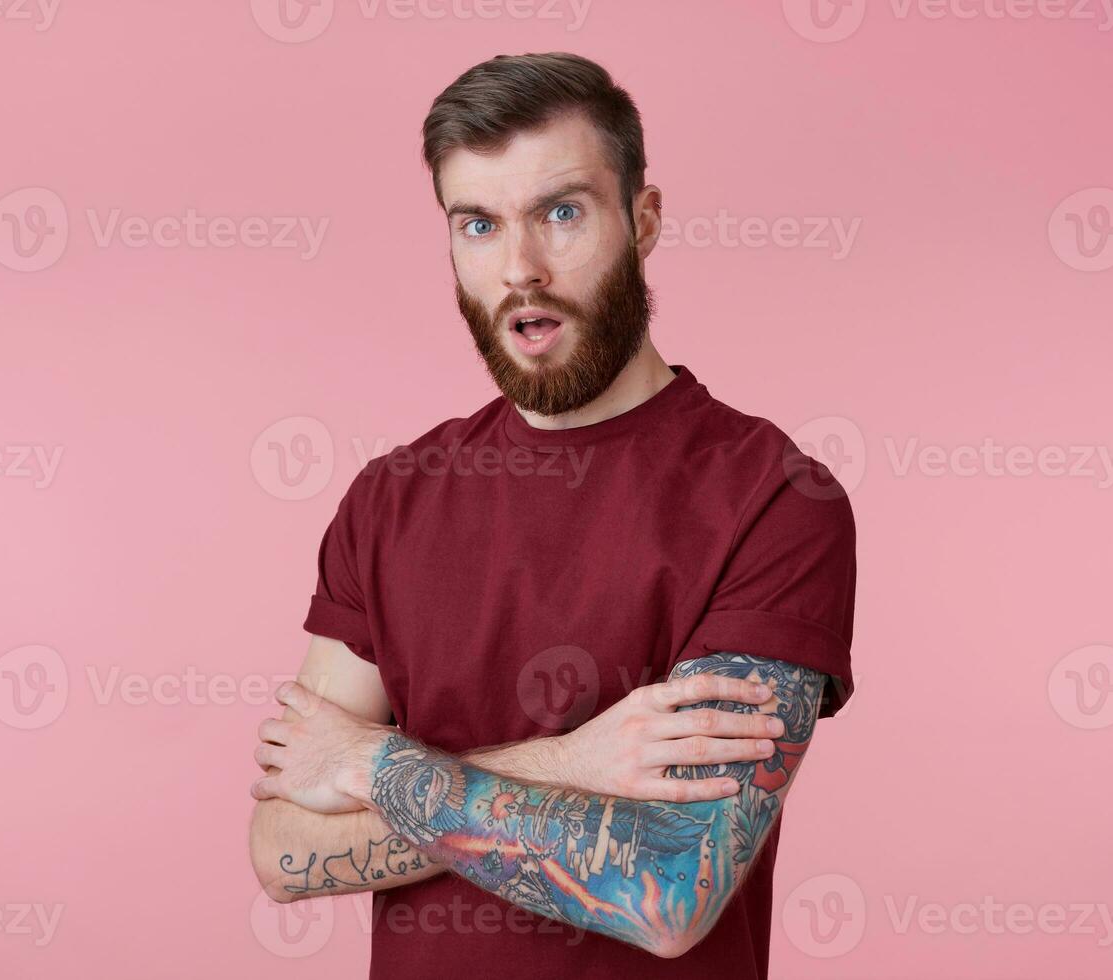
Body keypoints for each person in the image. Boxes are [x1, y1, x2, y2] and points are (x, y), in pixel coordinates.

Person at [248, 51, 857, 979]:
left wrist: (371, 767)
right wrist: (570, 760)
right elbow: (283, 851)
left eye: (560, 213)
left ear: (642, 221)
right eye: (479, 224)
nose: (520, 268)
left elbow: (666, 891)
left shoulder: (774, 501)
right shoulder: (388, 500)